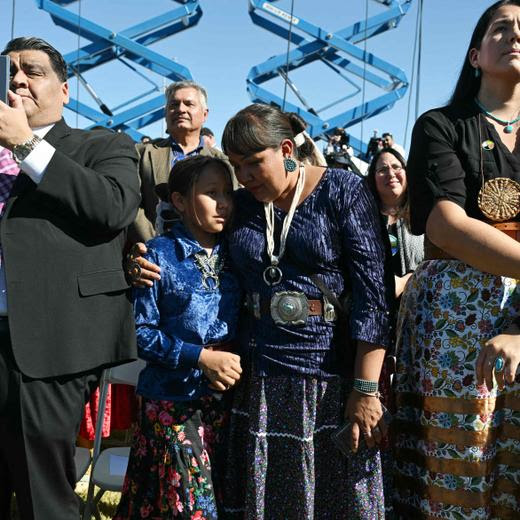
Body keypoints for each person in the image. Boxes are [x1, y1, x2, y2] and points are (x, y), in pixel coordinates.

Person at [220, 104, 394, 519]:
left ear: (285, 149)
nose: (243, 177)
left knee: (335, 498)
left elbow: (374, 295)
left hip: (329, 380)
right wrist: (145, 261)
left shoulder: (342, 190)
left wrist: (365, 389)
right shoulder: (243, 206)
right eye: (235, 166)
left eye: (253, 163)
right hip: (258, 378)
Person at [0, 37, 140, 519]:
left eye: (32, 71)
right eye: (9, 70)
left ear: (64, 90)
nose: (17, 78)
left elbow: (111, 208)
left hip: (47, 343)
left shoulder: (100, 144)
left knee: (44, 497)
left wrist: (24, 143)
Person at [393, 2, 520, 518]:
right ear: (475, 54)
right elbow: (445, 224)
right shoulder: (441, 124)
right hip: (456, 314)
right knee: (459, 465)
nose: (515, 34)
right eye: (501, 27)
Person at [114, 155, 241, 520]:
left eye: (227, 193)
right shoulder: (157, 256)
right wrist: (199, 357)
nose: (223, 203)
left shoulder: (238, 254)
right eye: (211, 193)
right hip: (171, 403)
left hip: (227, 403)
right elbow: (140, 334)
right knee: (188, 506)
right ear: (181, 201)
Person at [130, 80, 231, 244]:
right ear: (165, 113)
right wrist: (157, 244)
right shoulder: (143, 153)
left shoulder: (222, 162)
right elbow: (132, 203)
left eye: (189, 104)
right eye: (174, 104)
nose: (181, 109)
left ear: (205, 114)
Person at [366, 148, 424, 299]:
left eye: (396, 167)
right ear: (373, 178)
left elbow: (434, 262)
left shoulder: (424, 215)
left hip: (418, 303)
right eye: (382, 169)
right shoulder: (361, 219)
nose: (391, 174)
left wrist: (405, 282)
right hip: (373, 306)